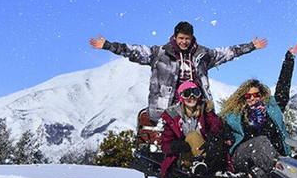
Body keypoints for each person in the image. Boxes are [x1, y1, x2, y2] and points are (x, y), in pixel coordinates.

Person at [89, 21, 267, 123]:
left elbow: (227, 52)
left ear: (192, 39)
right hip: (169, 102)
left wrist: (250, 46)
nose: (184, 42)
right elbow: (134, 51)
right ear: (174, 37)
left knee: (213, 126)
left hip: (197, 100)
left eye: (187, 39)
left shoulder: (202, 54)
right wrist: (108, 45)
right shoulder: (160, 53)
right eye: (181, 38)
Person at [221, 42, 297, 178]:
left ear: (261, 95)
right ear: (243, 98)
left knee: (265, 170)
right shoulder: (235, 115)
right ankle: (284, 176)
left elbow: (283, 86)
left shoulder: (272, 109)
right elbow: (221, 130)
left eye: (256, 95)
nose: (252, 98)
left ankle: (256, 176)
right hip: (243, 157)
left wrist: (289, 59)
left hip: (269, 158)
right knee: (260, 142)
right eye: (248, 96)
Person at [159, 81, 230, 178]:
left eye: (195, 92)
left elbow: (217, 125)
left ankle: (205, 165)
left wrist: (213, 137)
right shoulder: (173, 117)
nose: (191, 97)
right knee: (192, 135)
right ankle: (201, 165)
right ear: (181, 98)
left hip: (209, 155)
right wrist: (176, 146)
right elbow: (165, 146)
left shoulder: (205, 111)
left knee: (216, 141)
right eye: (187, 94)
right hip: (186, 158)